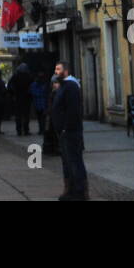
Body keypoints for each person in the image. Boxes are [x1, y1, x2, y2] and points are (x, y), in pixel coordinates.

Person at [51, 62, 87, 201]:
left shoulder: (71, 86)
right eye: (55, 69)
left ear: (66, 71)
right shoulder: (62, 87)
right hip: (63, 132)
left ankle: (79, 192)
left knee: (74, 161)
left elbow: (73, 110)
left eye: (58, 69)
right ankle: (70, 190)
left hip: (71, 132)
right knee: (67, 162)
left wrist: (66, 128)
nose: (56, 72)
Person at [9, 63, 33, 136]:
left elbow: (10, 86)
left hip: (18, 98)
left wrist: (13, 94)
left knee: (18, 115)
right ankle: (26, 130)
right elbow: (32, 86)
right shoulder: (28, 76)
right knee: (26, 115)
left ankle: (19, 130)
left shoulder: (15, 76)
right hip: (27, 98)